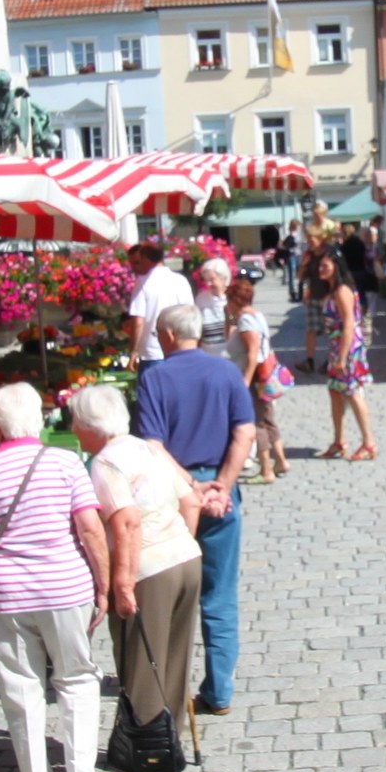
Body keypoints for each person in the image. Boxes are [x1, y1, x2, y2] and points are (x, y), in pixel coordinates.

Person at [0, 381, 111, 772]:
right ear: (38, 422)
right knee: (77, 676)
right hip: (66, 588)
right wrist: (103, 584)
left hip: (4, 596)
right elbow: (90, 528)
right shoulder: (66, 463)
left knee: (21, 690)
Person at [66, 382, 198, 772]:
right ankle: (165, 746)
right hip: (185, 559)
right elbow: (191, 499)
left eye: (75, 421)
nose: (72, 428)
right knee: (173, 662)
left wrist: (122, 582)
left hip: (149, 571)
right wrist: (176, 545)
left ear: (90, 425)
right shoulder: (147, 448)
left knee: (142, 667)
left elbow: (125, 523)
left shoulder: (103, 463)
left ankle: (146, 767)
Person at [133, 304, 257, 714]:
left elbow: (153, 445)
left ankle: (168, 685)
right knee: (219, 596)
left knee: (171, 592)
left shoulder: (155, 377)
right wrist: (224, 483)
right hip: (221, 495)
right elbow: (245, 430)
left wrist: (189, 484)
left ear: (167, 335)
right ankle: (219, 691)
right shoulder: (225, 372)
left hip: (172, 496)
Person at [310, 254, 377, 461]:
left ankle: (369, 442)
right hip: (336, 348)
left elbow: (349, 323)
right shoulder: (332, 290)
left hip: (347, 349)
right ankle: (339, 440)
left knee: (353, 393)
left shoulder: (342, 290)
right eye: (319, 265)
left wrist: (342, 357)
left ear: (336, 267)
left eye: (325, 265)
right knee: (335, 392)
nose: (320, 269)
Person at [225, 277, 288, 481]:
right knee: (268, 418)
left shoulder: (245, 320)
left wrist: (245, 380)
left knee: (257, 422)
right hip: (264, 375)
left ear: (234, 299)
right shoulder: (255, 315)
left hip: (253, 377)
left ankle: (266, 469)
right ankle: (280, 460)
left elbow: (252, 352)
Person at [124, 242, 192, 363]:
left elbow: (139, 321)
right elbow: (190, 315)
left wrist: (134, 351)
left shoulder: (143, 283)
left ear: (145, 258)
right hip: (179, 348)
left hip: (152, 351)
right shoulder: (181, 280)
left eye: (137, 262)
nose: (133, 267)